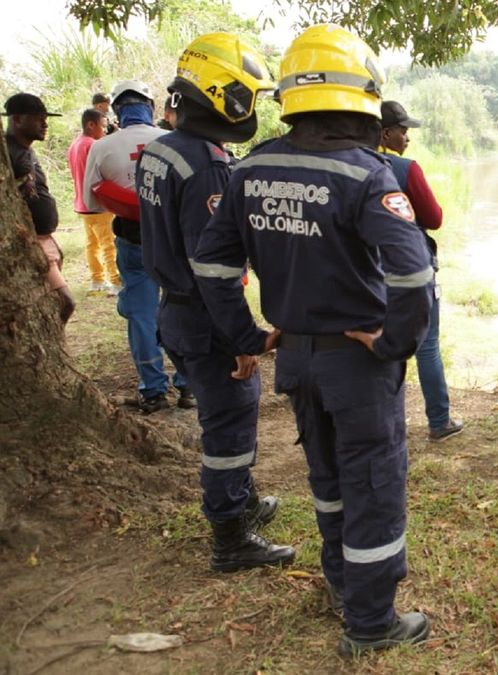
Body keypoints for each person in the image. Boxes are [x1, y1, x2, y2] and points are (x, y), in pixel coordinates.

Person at [192, 23, 434, 657]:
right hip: (357, 362)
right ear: (361, 101)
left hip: (295, 357)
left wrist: (247, 334)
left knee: (327, 479)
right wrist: (394, 344)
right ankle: (371, 622)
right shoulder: (365, 176)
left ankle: (339, 584)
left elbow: (212, 265)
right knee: (373, 485)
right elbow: (414, 272)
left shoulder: (250, 169)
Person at [137, 33, 294, 573]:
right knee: (229, 423)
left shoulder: (160, 149)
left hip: (173, 308)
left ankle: (243, 501)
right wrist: (243, 338)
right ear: (222, 95)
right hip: (205, 318)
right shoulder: (206, 166)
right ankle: (231, 537)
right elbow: (216, 270)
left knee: (225, 414)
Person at [83, 80, 190, 413]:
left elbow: (92, 202)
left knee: (141, 315)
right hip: (174, 242)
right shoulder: (174, 142)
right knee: (181, 311)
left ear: (116, 110)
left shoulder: (102, 147)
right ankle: (188, 386)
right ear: (150, 106)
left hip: (132, 241)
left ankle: (153, 390)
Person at [379, 99, 463, 442]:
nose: (407, 137)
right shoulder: (405, 169)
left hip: (367, 273)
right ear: (385, 132)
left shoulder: (347, 166)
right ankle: (439, 421)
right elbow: (434, 218)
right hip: (412, 270)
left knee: (377, 345)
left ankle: (383, 423)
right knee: (427, 344)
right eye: (403, 130)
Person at [4, 93, 73, 322]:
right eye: (37, 118)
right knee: (65, 301)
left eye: (45, 118)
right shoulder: (10, 155)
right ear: (17, 120)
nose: (44, 123)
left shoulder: (25, 151)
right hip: (31, 241)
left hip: (44, 238)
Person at [68, 108, 119, 297]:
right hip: (97, 204)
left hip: (82, 204)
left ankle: (97, 279)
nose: (104, 131)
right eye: (103, 127)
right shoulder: (92, 145)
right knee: (108, 243)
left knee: (92, 243)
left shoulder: (75, 145)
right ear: (91, 125)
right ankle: (115, 281)